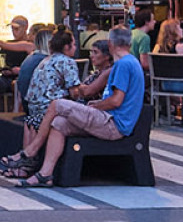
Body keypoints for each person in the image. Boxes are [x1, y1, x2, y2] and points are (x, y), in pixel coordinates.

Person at [10, 26, 145, 185]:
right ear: (129, 43)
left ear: (110, 44)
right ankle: (45, 174)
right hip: (111, 120)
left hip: (113, 123)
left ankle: (31, 151)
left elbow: (116, 101)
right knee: (58, 123)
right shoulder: (129, 62)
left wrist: (96, 107)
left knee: (57, 104)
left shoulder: (124, 64)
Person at [0, 30, 82, 175]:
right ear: (66, 47)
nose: (75, 48)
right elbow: (75, 92)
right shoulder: (67, 62)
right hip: (50, 111)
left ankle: (24, 166)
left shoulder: (45, 60)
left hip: (33, 109)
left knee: (31, 122)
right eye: (73, 45)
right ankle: (28, 163)